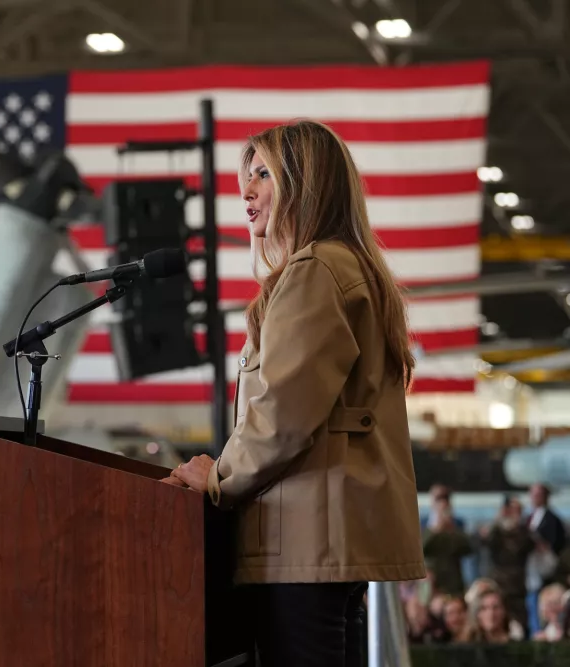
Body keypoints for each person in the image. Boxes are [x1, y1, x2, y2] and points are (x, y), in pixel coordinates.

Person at [170, 120, 426, 667]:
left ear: (305, 184)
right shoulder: (347, 268)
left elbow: (282, 414)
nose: (247, 191)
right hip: (324, 537)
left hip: (306, 542)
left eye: (264, 174)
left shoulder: (315, 272)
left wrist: (217, 478)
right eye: (248, 175)